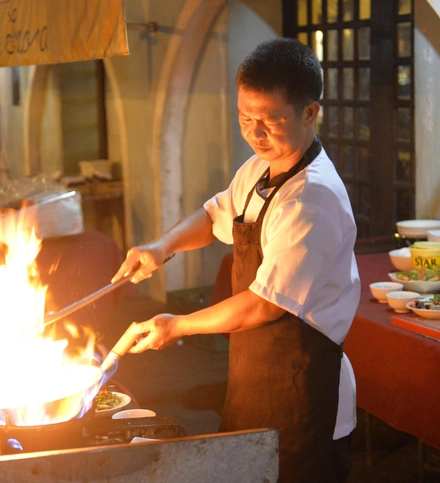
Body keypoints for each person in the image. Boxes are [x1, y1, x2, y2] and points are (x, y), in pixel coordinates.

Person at [112, 38, 359, 482]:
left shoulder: (312, 199)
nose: (255, 133)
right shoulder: (259, 169)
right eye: (246, 118)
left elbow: (264, 304)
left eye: (270, 120)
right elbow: (214, 216)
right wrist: (160, 248)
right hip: (255, 375)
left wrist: (178, 325)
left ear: (309, 113)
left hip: (306, 389)